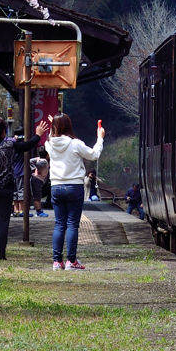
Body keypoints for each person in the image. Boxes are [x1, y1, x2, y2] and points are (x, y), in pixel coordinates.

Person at [0, 117, 48, 260]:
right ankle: (0, 253)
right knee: (3, 219)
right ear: (4, 132)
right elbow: (28, 145)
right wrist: (38, 134)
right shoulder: (10, 146)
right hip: (6, 187)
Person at [46, 114, 104, 270]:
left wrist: (54, 126)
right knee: (72, 224)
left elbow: (53, 137)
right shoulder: (75, 144)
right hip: (74, 187)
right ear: (69, 126)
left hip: (56, 187)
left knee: (59, 224)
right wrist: (100, 138)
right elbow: (94, 155)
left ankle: (57, 262)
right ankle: (71, 261)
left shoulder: (49, 144)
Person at [29, 151, 49, 217]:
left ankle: (39, 210)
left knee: (38, 196)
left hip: (37, 179)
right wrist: (38, 169)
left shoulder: (38, 158)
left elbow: (30, 161)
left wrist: (33, 168)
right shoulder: (44, 161)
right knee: (37, 196)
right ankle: (38, 211)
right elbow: (38, 165)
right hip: (37, 179)